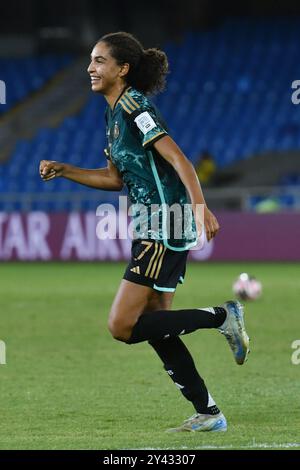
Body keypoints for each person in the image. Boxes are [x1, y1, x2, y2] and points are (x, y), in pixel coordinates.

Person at [39, 32, 250, 432]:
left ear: (123, 69)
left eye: (100, 61)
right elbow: (114, 179)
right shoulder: (112, 114)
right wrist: (65, 169)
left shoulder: (136, 106)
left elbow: (181, 160)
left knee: (121, 325)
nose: (90, 67)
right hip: (152, 224)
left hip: (163, 224)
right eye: (91, 60)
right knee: (157, 327)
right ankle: (209, 413)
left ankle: (222, 316)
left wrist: (201, 208)